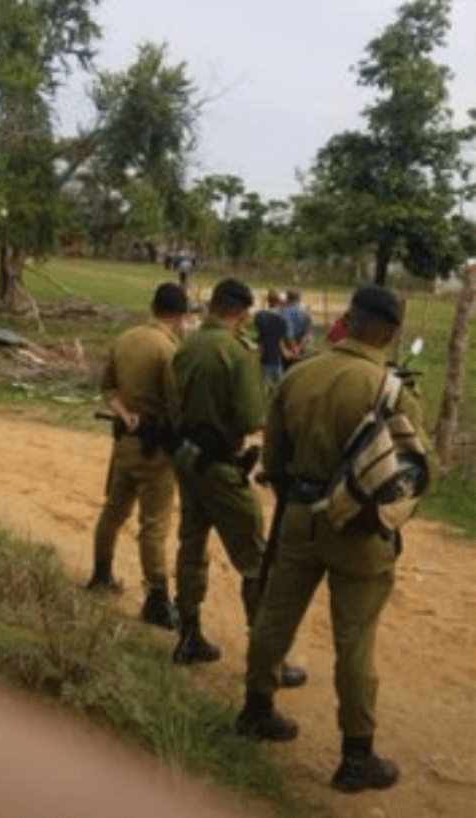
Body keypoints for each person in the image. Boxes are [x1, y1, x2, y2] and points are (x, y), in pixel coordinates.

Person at [236, 285, 429, 793]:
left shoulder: (299, 375)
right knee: (355, 641)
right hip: (360, 529)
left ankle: (256, 710)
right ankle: (356, 755)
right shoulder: (389, 389)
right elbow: (411, 471)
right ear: (387, 332)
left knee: (276, 617)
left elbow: (273, 462)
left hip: (299, 514)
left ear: (349, 320)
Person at [169, 278, 306, 687]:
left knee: (191, 544)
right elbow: (252, 418)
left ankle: (188, 634)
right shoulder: (235, 351)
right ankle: (268, 659)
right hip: (220, 463)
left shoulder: (187, 344)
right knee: (255, 558)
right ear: (241, 311)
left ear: (213, 305)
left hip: (187, 455)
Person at [83, 283, 188, 630]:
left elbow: (107, 387)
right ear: (181, 316)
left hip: (124, 442)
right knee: (154, 526)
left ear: (153, 306)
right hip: (155, 449)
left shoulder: (125, 338)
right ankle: (157, 600)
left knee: (113, 510)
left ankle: (101, 574)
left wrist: (123, 413)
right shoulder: (169, 349)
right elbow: (176, 405)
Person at [253, 289, 289, 394]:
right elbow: (281, 342)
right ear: (278, 302)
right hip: (275, 360)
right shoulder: (282, 320)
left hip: (262, 357)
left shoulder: (260, 316)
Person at [280, 290, 312, 361]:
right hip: (300, 351)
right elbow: (308, 335)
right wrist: (298, 348)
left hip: (285, 352)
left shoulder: (281, 312)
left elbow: (286, 335)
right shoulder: (305, 313)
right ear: (299, 299)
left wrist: (292, 350)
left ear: (287, 299)